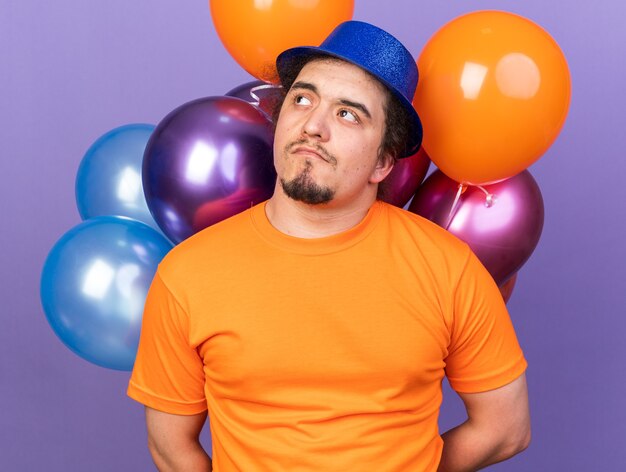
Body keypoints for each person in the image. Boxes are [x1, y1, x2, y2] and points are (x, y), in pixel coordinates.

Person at [128, 21, 530, 471]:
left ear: (382, 162)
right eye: (302, 99)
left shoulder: (449, 268)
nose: (314, 126)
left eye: (348, 114)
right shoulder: (187, 273)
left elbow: (505, 428)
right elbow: (170, 444)